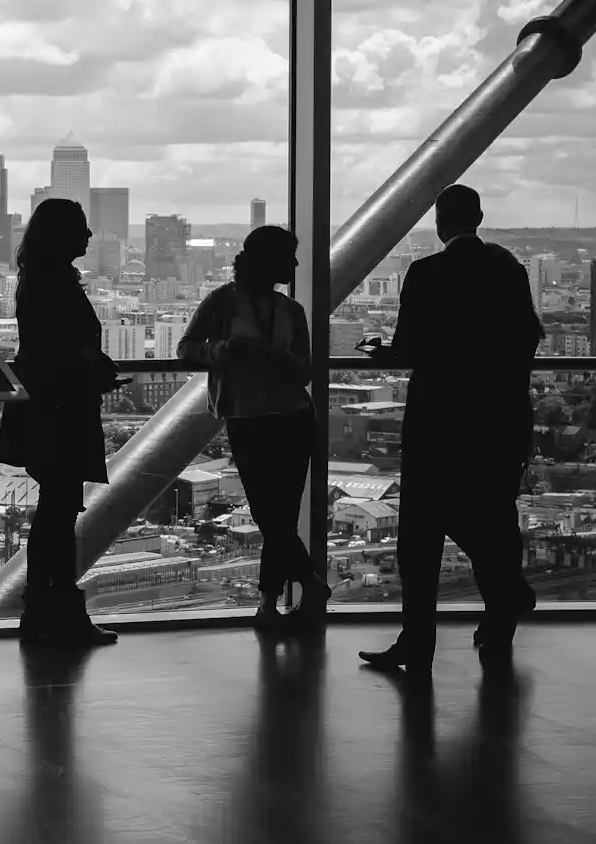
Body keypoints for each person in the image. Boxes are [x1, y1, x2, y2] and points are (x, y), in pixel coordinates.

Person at [357, 185, 544, 675]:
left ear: (440, 224)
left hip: (439, 419)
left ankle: (418, 643)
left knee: (421, 534)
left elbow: (409, 350)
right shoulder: (509, 271)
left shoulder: (427, 272)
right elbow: (529, 338)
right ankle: (501, 613)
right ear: (480, 217)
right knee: (494, 515)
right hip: (499, 418)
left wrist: (381, 353)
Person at [178, 226, 323, 631]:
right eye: (288, 257)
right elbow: (187, 350)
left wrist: (277, 360)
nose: (295, 265)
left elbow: (305, 370)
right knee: (271, 515)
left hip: (283, 418)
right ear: (268, 260)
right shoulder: (222, 302)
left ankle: (269, 603)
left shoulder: (290, 311)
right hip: (260, 418)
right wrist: (222, 351)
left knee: (278, 516)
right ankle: (304, 586)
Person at [0, 198, 123, 645]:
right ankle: (61, 612)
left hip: (46, 405)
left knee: (54, 513)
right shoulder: (56, 283)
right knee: (59, 514)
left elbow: (47, 346)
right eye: (82, 229)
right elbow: (63, 348)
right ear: (62, 235)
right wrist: (94, 369)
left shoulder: (37, 279)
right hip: (61, 409)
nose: (89, 236)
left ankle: (44, 611)